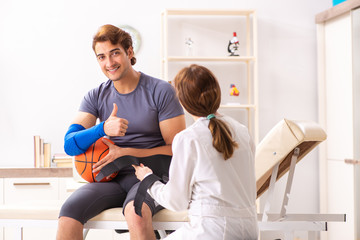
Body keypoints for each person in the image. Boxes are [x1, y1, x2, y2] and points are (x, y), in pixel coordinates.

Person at [56, 24, 185, 240]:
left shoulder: (161, 91)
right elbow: (69, 145)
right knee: (69, 212)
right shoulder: (95, 96)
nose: (109, 63)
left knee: (136, 214)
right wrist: (102, 128)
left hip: (152, 175)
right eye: (101, 57)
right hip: (111, 179)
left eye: (115, 53)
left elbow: (178, 149)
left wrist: (126, 153)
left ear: (129, 52)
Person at [133, 64, 259, 239]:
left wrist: (148, 179)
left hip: (211, 231)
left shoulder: (188, 138)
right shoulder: (243, 131)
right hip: (250, 230)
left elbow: (176, 201)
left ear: (183, 102)